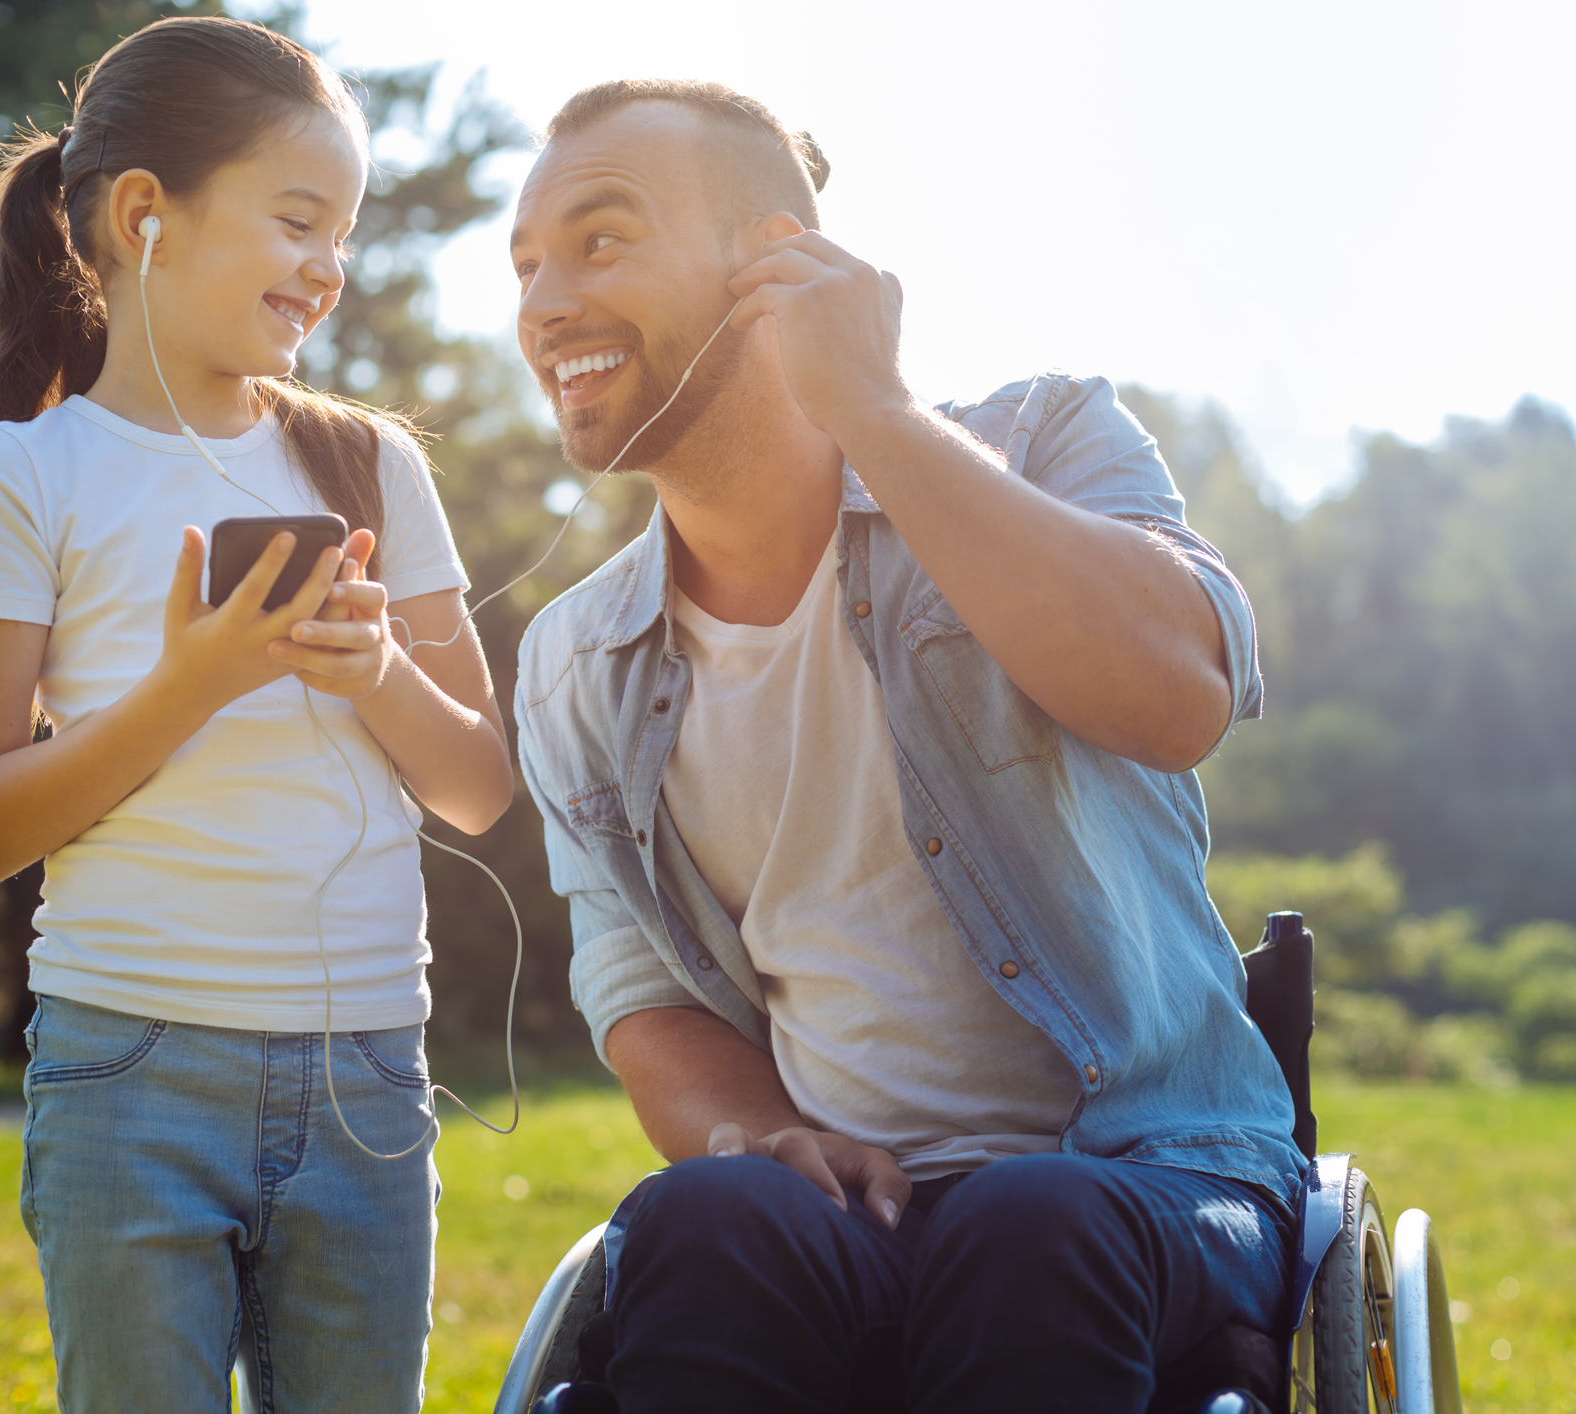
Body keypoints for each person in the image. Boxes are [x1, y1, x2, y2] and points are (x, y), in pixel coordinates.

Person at [511, 80, 1303, 1414]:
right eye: (525, 265)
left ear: (773, 261)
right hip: (854, 1215)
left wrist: (871, 408)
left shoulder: (1044, 440)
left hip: (1152, 1177)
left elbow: (1177, 698)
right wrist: (758, 1135)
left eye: (597, 241)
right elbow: (644, 997)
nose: (541, 305)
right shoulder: (576, 660)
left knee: (1031, 1222)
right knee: (702, 1219)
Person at [0, 18, 514, 1413]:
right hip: (128, 1065)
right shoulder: (26, 477)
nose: (328, 268)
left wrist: (375, 678)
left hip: (365, 1073)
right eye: (299, 220)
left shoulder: (369, 464)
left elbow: (476, 783)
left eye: (342, 232)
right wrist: (189, 685)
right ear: (142, 215)